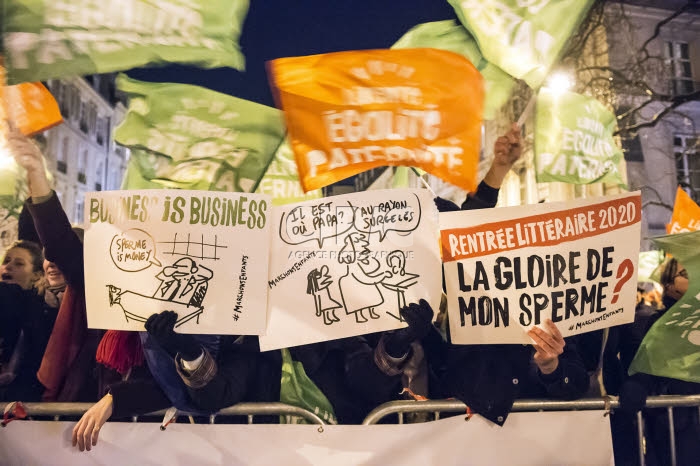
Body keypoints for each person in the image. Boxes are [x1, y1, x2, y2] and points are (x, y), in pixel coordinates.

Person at [9, 126, 104, 402]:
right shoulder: (33, 301)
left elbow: (61, 243)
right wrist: (35, 176)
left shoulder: (92, 295)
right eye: (47, 257)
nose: (51, 263)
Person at [616, 257, 699, 466]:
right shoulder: (658, 322)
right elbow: (649, 366)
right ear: (669, 284)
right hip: (679, 424)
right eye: (685, 274)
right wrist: (636, 385)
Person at [0, 240, 58, 401]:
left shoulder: (42, 307)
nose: (8, 266)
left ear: (36, 275)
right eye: (6, 261)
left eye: (19, 264)